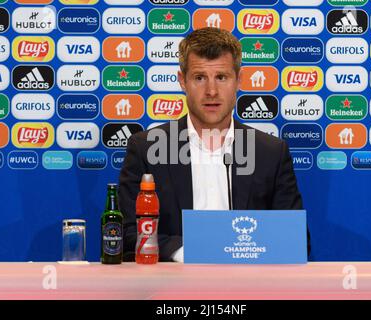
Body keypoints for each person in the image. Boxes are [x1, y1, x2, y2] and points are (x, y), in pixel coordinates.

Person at [119, 27, 309, 262]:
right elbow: (126, 233)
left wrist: (240, 252)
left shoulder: (270, 152)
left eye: (221, 77)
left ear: (238, 81)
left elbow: (295, 239)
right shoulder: (146, 149)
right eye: (199, 78)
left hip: (249, 285)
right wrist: (186, 252)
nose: (211, 91)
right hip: (172, 288)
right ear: (182, 81)